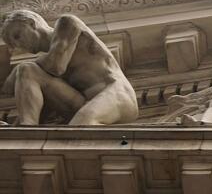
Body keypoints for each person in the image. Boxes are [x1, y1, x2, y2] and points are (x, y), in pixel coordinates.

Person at [1, 10, 138, 125]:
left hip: (116, 94)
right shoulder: (43, 66)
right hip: (84, 103)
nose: (18, 45)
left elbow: (57, 66)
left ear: (32, 23)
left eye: (17, 36)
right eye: (13, 44)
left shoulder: (66, 23)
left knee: (81, 124)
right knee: (26, 70)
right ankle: (27, 130)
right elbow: (37, 106)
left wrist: (13, 76)